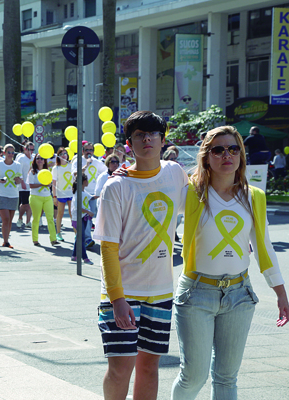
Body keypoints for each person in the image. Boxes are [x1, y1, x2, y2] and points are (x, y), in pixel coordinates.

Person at [171, 126, 289, 399]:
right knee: (193, 376)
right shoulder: (191, 194)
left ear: (241, 155)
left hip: (239, 295)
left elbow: (264, 248)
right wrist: (128, 170)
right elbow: (155, 189)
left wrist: (280, 293)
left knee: (226, 378)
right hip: (196, 293)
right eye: (218, 149)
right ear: (206, 157)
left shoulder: (254, 196)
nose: (227, 154)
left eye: (233, 148)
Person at [94, 111, 188, 400]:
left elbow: (200, 203)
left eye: (153, 134)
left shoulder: (174, 173)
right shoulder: (116, 186)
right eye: (139, 135)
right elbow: (107, 247)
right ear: (129, 143)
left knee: (149, 368)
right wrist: (117, 299)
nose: (147, 139)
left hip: (161, 292)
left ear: (162, 140)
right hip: (123, 294)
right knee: (121, 369)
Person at [0, 144, 22, 248]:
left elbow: (19, 180)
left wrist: (18, 180)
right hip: (1, 194)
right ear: (4, 153)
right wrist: (0, 180)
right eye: (9, 152)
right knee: (6, 219)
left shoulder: (17, 165)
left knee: (10, 220)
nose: (11, 154)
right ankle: (5, 241)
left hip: (14, 195)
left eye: (13, 152)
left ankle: (6, 240)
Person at [28, 153, 59, 246]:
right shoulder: (32, 172)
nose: (40, 160)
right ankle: (35, 239)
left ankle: (53, 239)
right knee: (36, 219)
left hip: (47, 197)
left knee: (50, 218)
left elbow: (51, 183)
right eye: (38, 158)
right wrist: (42, 184)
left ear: (45, 161)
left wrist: (49, 185)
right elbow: (31, 185)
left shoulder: (47, 171)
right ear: (35, 160)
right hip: (35, 197)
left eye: (42, 158)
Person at [81, 142, 108, 247]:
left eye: (91, 150)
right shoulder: (78, 160)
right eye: (87, 150)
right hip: (82, 193)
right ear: (83, 151)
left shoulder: (97, 162)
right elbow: (75, 174)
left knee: (89, 216)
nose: (89, 152)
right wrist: (86, 165)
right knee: (83, 216)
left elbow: (107, 171)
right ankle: (84, 237)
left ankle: (87, 238)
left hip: (93, 195)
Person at [52, 147, 73, 242]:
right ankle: (58, 233)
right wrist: (54, 196)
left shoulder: (72, 165)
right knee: (60, 213)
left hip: (71, 193)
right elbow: (54, 183)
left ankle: (76, 233)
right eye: (61, 154)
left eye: (65, 153)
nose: (64, 155)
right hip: (60, 194)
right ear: (58, 156)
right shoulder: (56, 168)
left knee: (72, 213)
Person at [72, 173, 93, 263]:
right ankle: (85, 257)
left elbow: (91, 197)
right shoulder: (78, 194)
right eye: (87, 180)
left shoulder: (84, 192)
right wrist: (89, 212)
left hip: (84, 217)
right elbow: (78, 208)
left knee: (79, 237)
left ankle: (74, 255)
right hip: (78, 218)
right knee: (81, 238)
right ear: (84, 182)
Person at [16, 141, 34, 228]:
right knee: (24, 203)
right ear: (25, 149)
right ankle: (20, 218)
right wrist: (22, 182)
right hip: (23, 185)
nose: (31, 151)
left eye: (33, 150)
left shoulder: (34, 157)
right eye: (29, 149)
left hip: (31, 184)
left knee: (30, 203)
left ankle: (28, 221)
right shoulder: (21, 158)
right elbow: (19, 171)